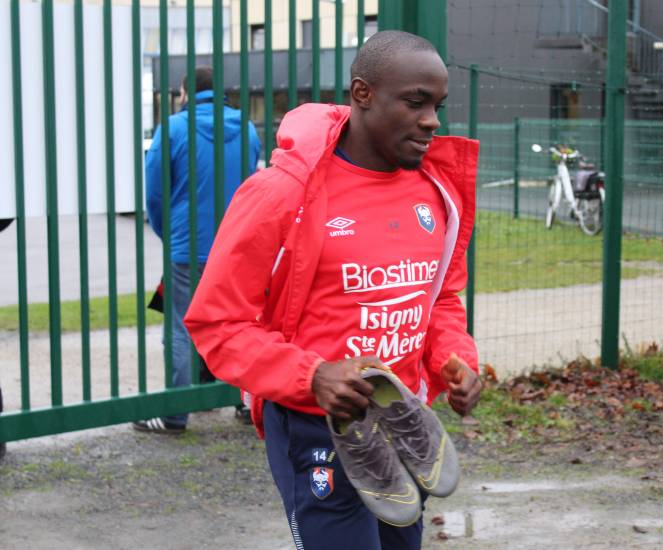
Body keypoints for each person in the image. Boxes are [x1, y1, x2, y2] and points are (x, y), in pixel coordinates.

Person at [184, 31, 482, 549]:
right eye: (415, 102)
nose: (432, 120)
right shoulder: (281, 195)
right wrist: (312, 374)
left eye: (437, 105)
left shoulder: (436, 194)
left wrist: (455, 359)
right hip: (314, 428)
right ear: (362, 93)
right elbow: (217, 323)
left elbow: (441, 301)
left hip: (402, 422)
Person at [138, 66, 261, 434]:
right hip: (237, 245)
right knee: (239, 324)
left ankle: (176, 413)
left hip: (188, 245)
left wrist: (167, 231)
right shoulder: (248, 129)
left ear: (184, 93)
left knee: (180, 327)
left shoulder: (173, 128)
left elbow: (155, 193)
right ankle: (244, 401)